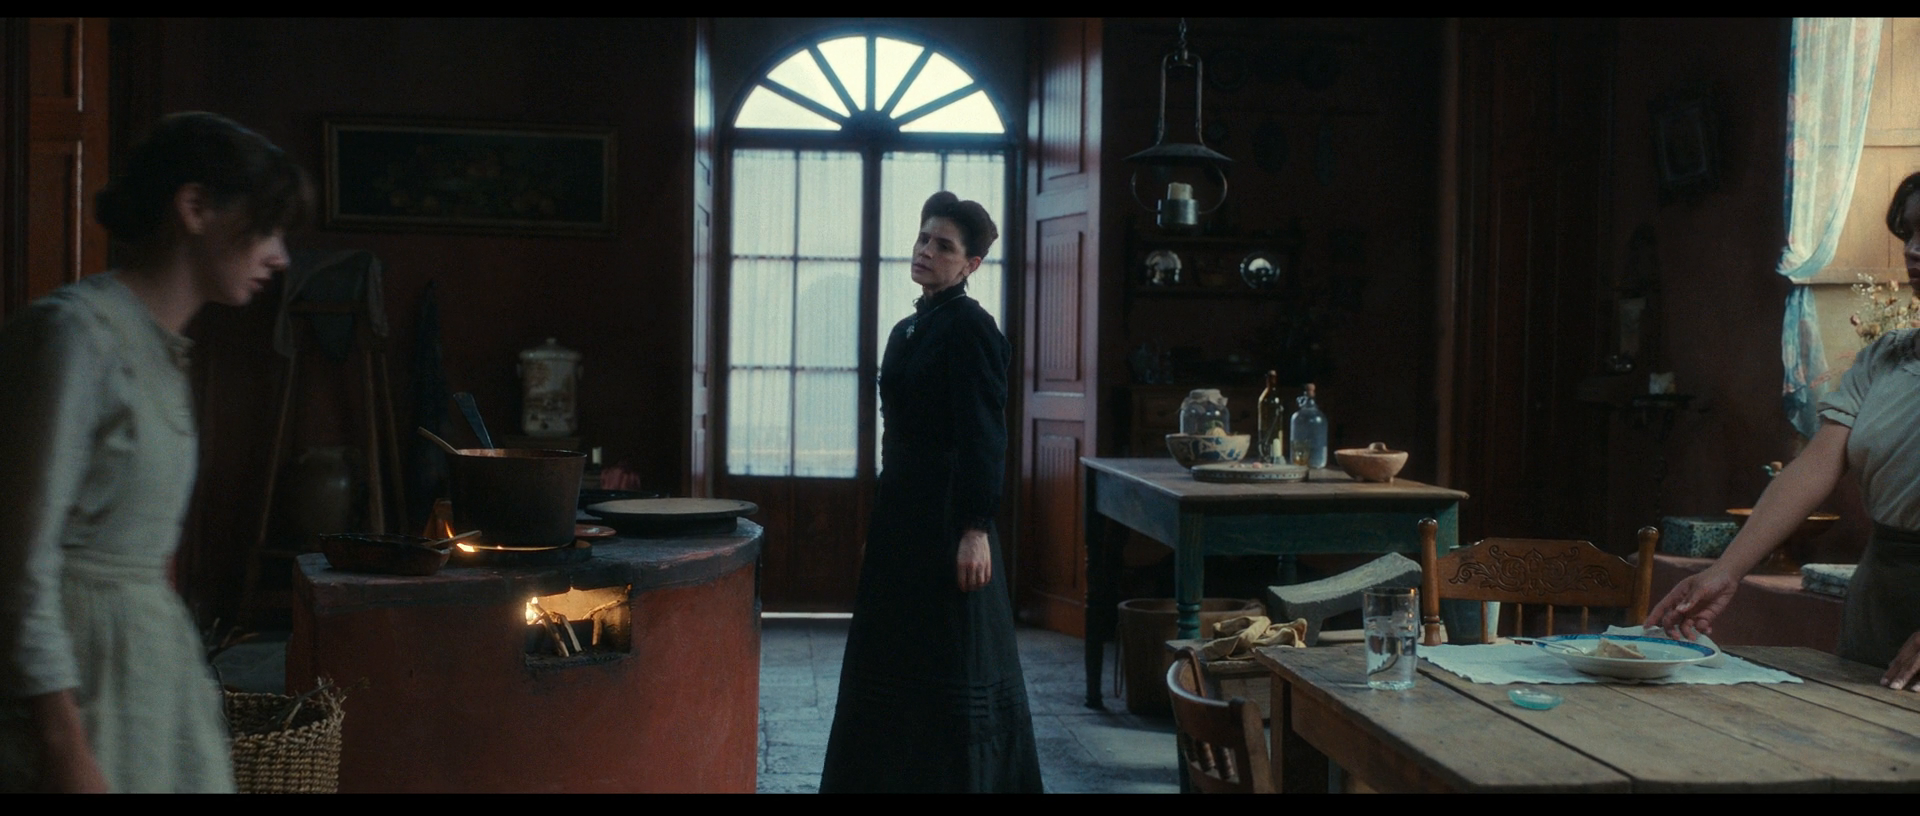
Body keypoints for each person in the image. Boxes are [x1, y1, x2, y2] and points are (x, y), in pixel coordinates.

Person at [0, 112, 309, 792]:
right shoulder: (75, 336)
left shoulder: (162, 351)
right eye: (266, 228)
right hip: (83, 683)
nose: (280, 256)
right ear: (194, 208)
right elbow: (19, 562)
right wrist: (64, 746)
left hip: (147, 675)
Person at [1647, 171, 1920, 691]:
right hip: (1882, 599)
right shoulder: (1885, 359)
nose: (1913, 250)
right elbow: (1814, 467)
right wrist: (1727, 570)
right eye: (1908, 232)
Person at [819, 192, 1043, 792]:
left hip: (949, 519)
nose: (925, 251)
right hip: (902, 518)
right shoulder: (908, 329)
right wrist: (882, 526)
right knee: (892, 665)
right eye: (923, 238)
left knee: (950, 664)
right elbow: (896, 439)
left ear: (971, 265)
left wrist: (975, 528)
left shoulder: (972, 328)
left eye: (944, 246)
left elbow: (984, 435)